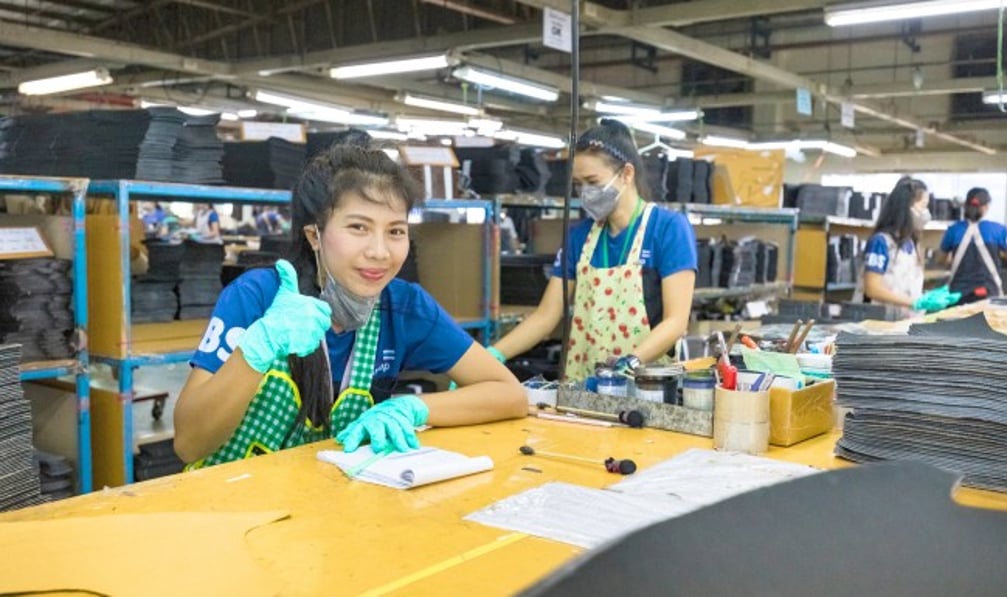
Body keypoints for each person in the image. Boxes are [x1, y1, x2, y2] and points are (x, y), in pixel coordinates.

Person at [174, 144, 527, 466]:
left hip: (330, 513)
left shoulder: (404, 307)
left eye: (396, 231)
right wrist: (255, 351)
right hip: (229, 510)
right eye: (358, 227)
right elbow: (189, 444)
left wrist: (413, 408)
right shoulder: (257, 297)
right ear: (314, 235)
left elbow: (510, 394)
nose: (379, 251)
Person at [490, 119, 697, 381]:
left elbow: (676, 322)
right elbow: (546, 316)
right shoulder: (580, 237)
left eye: (592, 181)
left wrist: (629, 364)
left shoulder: (667, 229)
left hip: (646, 383)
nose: (585, 192)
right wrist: (492, 355)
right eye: (578, 184)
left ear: (626, 174)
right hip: (584, 384)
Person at [860, 177, 959, 316]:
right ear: (906, 207)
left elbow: (905, 285)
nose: (926, 213)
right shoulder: (881, 242)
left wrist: (926, 296)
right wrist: (914, 302)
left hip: (907, 321)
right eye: (923, 206)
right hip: (883, 322)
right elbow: (872, 288)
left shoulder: (912, 243)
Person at [941, 187, 1007, 304]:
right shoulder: (999, 229)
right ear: (986, 207)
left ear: (966, 206)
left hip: (958, 294)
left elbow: (941, 260)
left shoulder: (953, 230)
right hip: (988, 291)